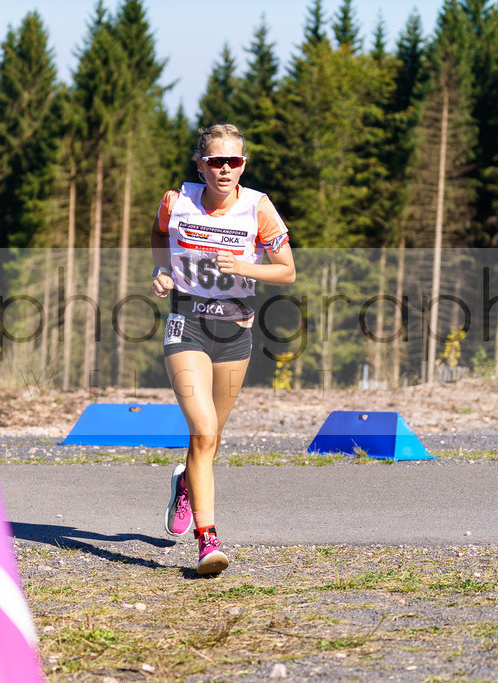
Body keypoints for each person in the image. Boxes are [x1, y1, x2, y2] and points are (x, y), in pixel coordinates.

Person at [150, 124, 295, 575]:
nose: (225, 169)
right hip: (186, 323)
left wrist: (245, 265)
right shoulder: (176, 202)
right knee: (204, 431)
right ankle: (207, 541)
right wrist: (161, 272)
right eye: (216, 161)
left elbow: (287, 272)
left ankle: (185, 485)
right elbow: (159, 237)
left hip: (235, 331)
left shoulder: (258, 208)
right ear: (201, 164)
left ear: (244, 165)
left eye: (234, 161)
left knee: (210, 441)